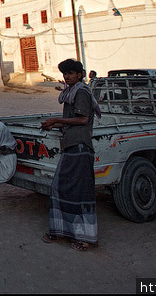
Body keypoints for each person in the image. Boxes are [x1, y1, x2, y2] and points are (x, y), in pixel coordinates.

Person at [41, 58, 102, 252]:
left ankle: (86, 239)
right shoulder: (71, 92)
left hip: (80, 147)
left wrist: (57, 119)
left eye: (70, 73)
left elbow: (83, 119)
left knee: (78, 192)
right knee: (61, 187)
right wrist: (53, 124)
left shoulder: (81, 92)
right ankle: (62, 231)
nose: (67, 77)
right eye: (65, 73)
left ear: (79, 74)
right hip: (71, 145)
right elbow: (71, 120)